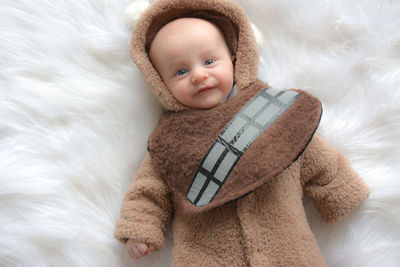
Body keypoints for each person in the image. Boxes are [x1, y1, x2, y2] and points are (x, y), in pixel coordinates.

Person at [114, 0, 370, 266]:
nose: (199, 75)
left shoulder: (272, 112)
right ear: (160, 83)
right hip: (207, 255)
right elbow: (148, 189)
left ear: (235, 59)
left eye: (209, 61)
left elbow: (312, 152)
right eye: (181, 71)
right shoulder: (168, 142)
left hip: (286, 250)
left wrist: (339, 191)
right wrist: (140, 228)